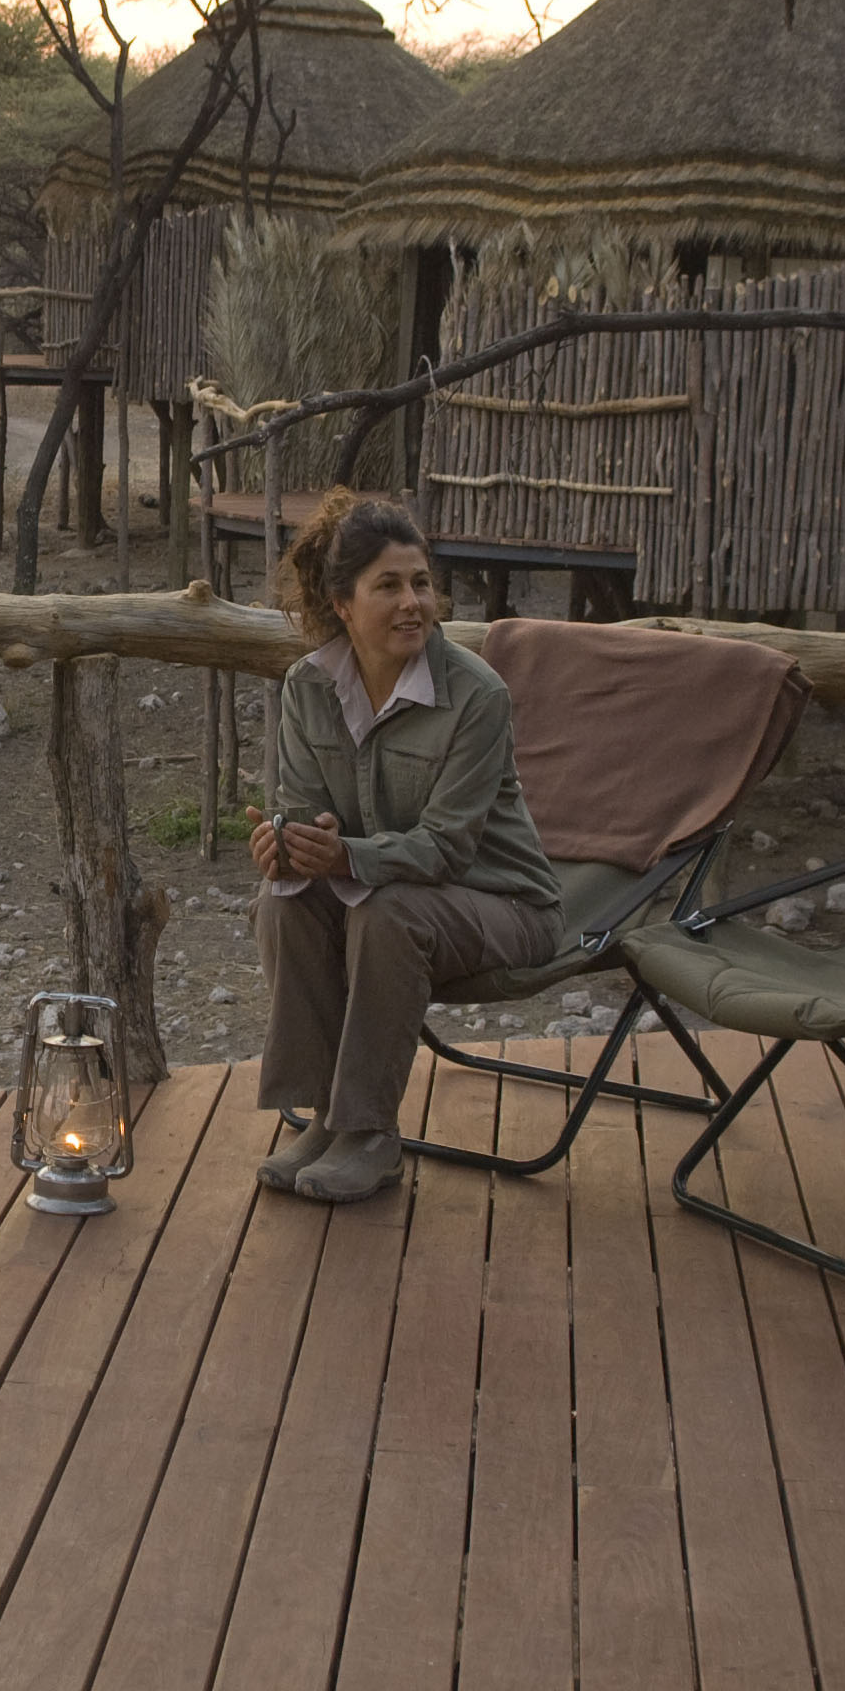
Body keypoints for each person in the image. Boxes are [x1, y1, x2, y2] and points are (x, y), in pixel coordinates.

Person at [248, 492, 561, 1206]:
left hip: (503, 903)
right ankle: (327, 1117)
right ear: (343, 604)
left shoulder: (475, 697)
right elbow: (302, 810)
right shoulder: (309, 688)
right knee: (283, 903)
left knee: (388, 915)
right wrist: (285, 847)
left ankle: (373, 1135)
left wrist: (348, 857)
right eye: (388, 586)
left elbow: (449, 847)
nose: (413, 602)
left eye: (420, 582)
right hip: (390, 889)